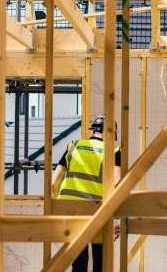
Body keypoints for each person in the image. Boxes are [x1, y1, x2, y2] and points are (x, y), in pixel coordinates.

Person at [51, 116, 121, 272]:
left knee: (79, 259)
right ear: (110, 133)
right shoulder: (114, 151)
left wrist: (59, 206)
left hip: (70, 209)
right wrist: (117, 219)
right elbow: (117, 183)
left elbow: (53, 183)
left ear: (94, 131)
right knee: (101, 259)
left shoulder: (74, 146)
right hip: (97, 210)